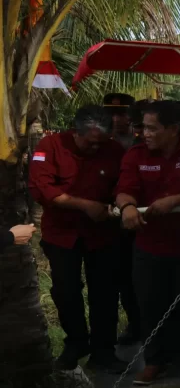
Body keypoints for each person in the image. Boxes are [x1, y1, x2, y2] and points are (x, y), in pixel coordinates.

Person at [115, 100, 180, 385]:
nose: (145, 133)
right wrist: (127, 207)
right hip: (149, 247)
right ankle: (154, 360)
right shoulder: (135, 155)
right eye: (144, 127)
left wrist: (176, 200)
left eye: (152, 128)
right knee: (150, 304)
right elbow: (123, 190)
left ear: (174, 129)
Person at [29, 105, 124, 371]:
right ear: (76, 133)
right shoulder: (50, 146)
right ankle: (76, 343)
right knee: (66, 291)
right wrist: (85, 205)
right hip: (62, 234)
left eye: (100, 144)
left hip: (103, 234)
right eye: (90, 143)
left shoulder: (114, 150)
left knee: (104, 293)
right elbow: (42, 188)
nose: (95, 149)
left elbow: (125, 183)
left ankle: (104, 350)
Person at [104, 93, 142, 345]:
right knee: (116, 278)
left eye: (123, 113)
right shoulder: (100, 142)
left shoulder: (143, 143)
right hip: (107, 223)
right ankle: (132, 325)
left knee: (138, 277)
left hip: (140, 220)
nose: (118, 119)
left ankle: (142, 324)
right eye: (112, 114)